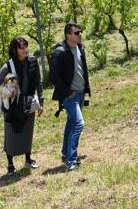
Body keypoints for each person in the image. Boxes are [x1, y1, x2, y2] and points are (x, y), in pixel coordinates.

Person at [0, 37, 43, 175]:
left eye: (26, 46)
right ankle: (10, 164)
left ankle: (28, 159)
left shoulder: (33, 61)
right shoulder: (8, 66)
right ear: (15, 51)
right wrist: (9, 93)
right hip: (12, 106)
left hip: (28, 102)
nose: (25, 50)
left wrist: (41, 101)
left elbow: (38, 82)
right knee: (11, 134)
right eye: (21, 48)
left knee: (27, 131)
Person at [50, 23, 91, 171]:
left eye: (80, 32)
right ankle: (71, 160)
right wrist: (67, 92)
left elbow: (82, 70)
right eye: (76, 33)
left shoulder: (80, 48)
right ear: (68, 36)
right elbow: (53, 77)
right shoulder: (60, 52)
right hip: (69, 96)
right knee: (79, 124)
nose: (80, 34)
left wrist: (85, 90)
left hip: (79, 93)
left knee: (71, 123)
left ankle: (65, 153)